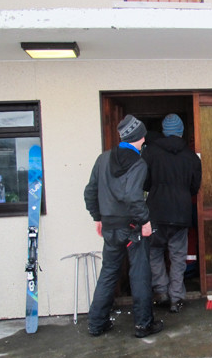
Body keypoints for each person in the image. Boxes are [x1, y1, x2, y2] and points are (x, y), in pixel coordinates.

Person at [84, 114, 163, 338]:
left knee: (109, 272)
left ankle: (97, 323)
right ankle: (143, 325)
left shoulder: (103, 159)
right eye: (143, 136)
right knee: (139, 274)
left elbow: (90, 191)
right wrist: (145, 221)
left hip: (110, 227)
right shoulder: (138, 163)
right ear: (139, 137)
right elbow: (133, 197)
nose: (144, 140)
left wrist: (98, 217)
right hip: (132, 228)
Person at [142, 113, 202, 313]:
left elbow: (144, 183)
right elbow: (194, 187)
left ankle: (161, 291)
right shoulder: (191, 157)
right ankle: (176, 297)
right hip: (181, 213)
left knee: (154, 252)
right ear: (181, 132)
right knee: (178, 255)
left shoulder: (150, 153)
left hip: (156, 212)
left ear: (164, 132)